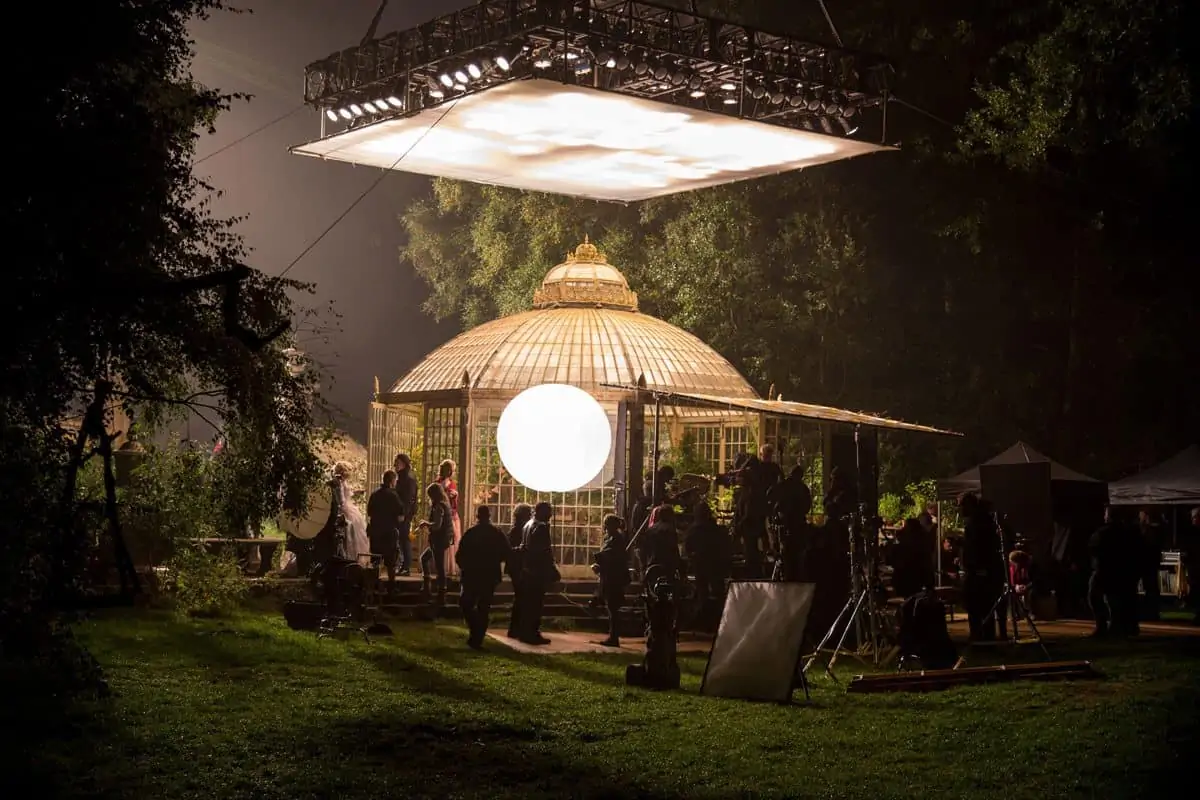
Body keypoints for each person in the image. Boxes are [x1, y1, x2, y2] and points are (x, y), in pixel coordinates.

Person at [456, 506, 510, 650]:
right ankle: (478, 636)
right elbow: (506, 553)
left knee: (466, 603)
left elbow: (460, 555)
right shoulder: (497, 533)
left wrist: (465, 567)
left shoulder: (471, 533)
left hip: (471, 574)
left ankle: (476, 633)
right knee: (483, 607)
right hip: (489, 575)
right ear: (489, 515)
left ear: (477, 516)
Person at [1088, 506, 1139, 637]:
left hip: (1104, 570)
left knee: (1095, 596)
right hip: (1122, 570)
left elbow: (1093, 548)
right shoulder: (1129, 532)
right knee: (1117, 599)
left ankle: (1102, 626)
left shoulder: (1103, 533)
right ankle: (1121, 626)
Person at [961, 493, 1003, 642]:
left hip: (979, 572)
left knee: (978, 607)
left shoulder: (977, 525)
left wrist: (973, 566)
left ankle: (980, 638)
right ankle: (984, 637)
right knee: (984, 609)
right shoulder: (983, 522)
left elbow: (977, 549)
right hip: (981, 571)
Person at [517, 501, 558, 645]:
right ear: (542, 512)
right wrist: (552, 568)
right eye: (549, 511)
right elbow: (544, 551)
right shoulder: (541, 527)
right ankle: (532, 633)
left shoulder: (528, 525)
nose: (551, 515)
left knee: (528, 603)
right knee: (536, 604)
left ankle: (524, 631)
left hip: (527, 569)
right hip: (537, 571)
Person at [592, 514, 630, 647]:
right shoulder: (611, 538)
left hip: (614, 577)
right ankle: (612, 635)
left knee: (613, 607)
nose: (605, 527)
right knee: (611, 607)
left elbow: (613, 557)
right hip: (609, 576)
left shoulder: (616, 539)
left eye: (606, 524)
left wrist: (600, 561)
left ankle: (614, 637)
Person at [366, 469, 405, 593]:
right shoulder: (393, 496)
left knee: (375, 560)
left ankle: (373, 586)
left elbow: (369, 512)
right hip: (389, 532)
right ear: (392, 481)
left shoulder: (374, 494)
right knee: (390, 562)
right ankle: (391, 587)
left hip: (376, 531)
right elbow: (401, 515)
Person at [684, 501, 729, 606]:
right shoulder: (717, 529)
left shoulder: (693, 530)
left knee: (702, 590)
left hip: (700, 563)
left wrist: (691, 557)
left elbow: (688, 547)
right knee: (718, 589)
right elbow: (725, 545)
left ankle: (704, 610)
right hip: (715, 563)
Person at [418, 482, 455, 605]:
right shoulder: (445, 505)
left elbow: (437, 525)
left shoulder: (438, 507)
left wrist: (426, 524)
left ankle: (439, 592)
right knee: (426, 558)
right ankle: (429, 586)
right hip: (442, 539)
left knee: (439, 567)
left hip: (439, 539)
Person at [331, 462, 369, 562]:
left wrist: (356, 492)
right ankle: (350, 556)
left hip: (348, 506)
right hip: (345, 508)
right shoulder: (338, 482)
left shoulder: (342, 482)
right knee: (351, 531)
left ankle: (353, 556)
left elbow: (346, 494)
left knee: (355, 532)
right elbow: (341, 500)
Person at [506, 503, 533, 639]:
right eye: (528, 514)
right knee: (521, 597)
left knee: (520, 597)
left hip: (516, 567)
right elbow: (511, 551)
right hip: (517, 567)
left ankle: (516, 628)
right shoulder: (518, 530)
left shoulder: (518, 529)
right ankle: (516, 628)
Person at [393, 453, 419, 575]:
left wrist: (404, 514)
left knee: (404, 539)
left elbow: (409, 499)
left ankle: (406, 566)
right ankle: (402, 565)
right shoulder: (402, 477)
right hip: (400, 513)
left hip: (404, 514)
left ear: (404, 464)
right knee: (401, 539)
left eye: (397, 463)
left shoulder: (408, 478)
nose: (395, 465)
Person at [1137, 509, 1163, 620]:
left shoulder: (1150, 530)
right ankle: (1151, 611)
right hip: (1149, 562)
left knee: (1150, 587)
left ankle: (1151, 612)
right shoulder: (1151, 530)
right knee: (1150, 587)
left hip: (1148, 562)